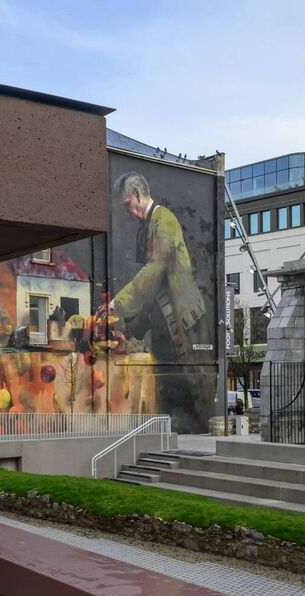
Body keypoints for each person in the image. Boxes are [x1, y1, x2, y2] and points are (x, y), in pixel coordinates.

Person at [101, 171, 213, 430]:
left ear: (138, 194)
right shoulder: (149, 226)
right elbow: (153, 292)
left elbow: (155, 270)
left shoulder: (164, 221)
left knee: (196, 389)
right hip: (167, 326)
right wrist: (128, 329)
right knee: (168, 389)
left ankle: (195, 434)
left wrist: (118, 303)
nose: (128, 212)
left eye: (128, 204)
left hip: (187, 324)